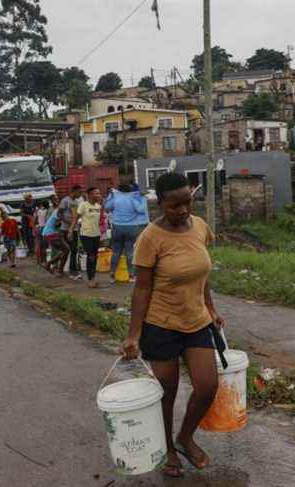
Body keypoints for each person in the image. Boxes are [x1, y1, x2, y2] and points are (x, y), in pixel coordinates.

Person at [120, 173, 224, 479]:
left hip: (196, 322)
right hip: (161, 325)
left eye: (186, 202)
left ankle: (185, 437)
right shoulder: (150, 239)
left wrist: (211, 308)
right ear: (160, 203)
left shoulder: (201, 227)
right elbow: (142, 289)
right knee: (166, 393)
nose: (182, 210)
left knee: (207, 386)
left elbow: (199, 273)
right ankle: (167, 448)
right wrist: (133, 335)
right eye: (174, 205)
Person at [104, 184, 150, 284]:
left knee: (116, 251)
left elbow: (107, 207)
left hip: (117, 227)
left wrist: (111, 195)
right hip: (131, 227)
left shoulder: (116, 197)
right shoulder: (133, 197)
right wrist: (142, 197)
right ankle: (131, 276)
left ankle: (112, 275)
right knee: (129, 251)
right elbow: (141, 210)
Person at [70, 187, 102, 288]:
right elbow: (76, 218)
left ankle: (93, 278)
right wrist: (71, 230)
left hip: (96, 234)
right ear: (90, 194)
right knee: (91, 256)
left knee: (95, 257)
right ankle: (90, 280)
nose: (98, 195)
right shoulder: (83, 205)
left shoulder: (98, 206)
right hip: (86, 235)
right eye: (96, 193)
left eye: (99, 193)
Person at [59, 185, 84, 279]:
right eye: (79, 192)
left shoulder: (77, 201)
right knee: (67, 250)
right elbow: (59, 213)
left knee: (74, 250)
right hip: (65, 229)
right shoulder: (65, 201)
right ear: (74, 191)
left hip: (74, 229)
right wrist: (67, 222)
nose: (80, 194)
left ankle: (73, 270)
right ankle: (62, 269)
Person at [41, 204, 70, 275]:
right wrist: (67, 222)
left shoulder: (58, 211)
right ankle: (55, 268)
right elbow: (57, 224)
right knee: (66, 250)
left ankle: (52, 265)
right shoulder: (59, 212)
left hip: (48, 233)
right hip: (51, 234)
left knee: (65, 250)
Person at [35, 200, 52, 265]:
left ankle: (40, 261)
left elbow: (35, 220)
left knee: (39, 245)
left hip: (39, 227)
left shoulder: (38, 211)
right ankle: (45, 261)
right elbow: (47, 220)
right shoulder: (47, 211)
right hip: (45, 228)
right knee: (45, 246)